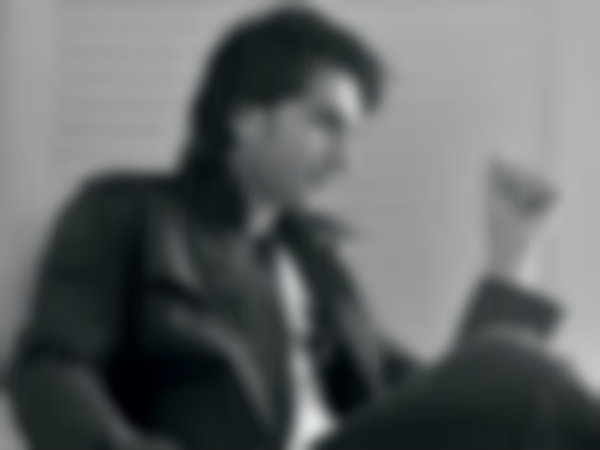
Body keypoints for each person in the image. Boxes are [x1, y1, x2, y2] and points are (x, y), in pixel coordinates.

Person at [9, 6, 572, 450]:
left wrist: (511, 255)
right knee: (526, 378)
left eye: (351, 134)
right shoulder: (128, 213)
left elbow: (453, 402)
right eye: (326, 124)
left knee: (522, 384)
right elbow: (50, 368)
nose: (344, 161)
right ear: (246, 117)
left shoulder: (316, 265)